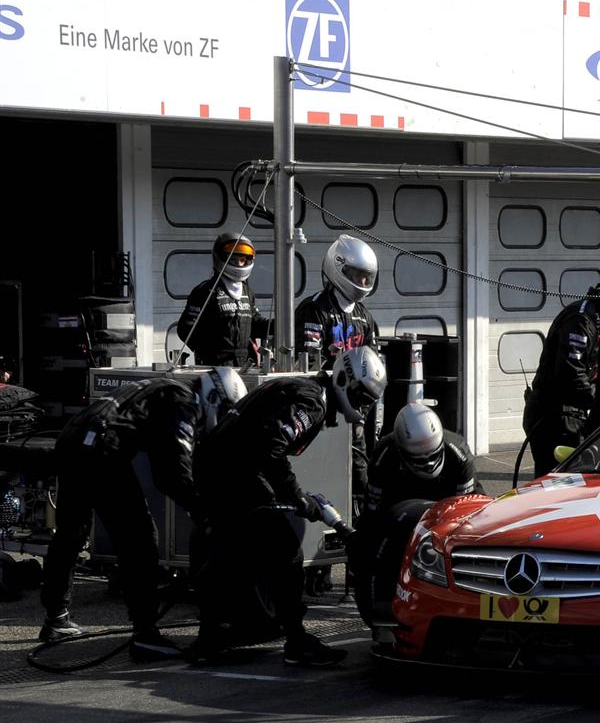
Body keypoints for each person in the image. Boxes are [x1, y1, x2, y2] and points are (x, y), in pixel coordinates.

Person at [188, 346, 386, 667]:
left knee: (228, 553)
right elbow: (271, 447)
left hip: (216, 467)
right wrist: (296, 497)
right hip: (234, 472)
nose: (362, 404)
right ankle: (295, 640)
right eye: (361, 396)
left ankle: (215, 636)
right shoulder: (312, 401)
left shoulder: (301, 386)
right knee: (286, 549)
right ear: (343, 379)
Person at [37, 368, 246, 655]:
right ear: (214, 396)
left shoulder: (166, 386)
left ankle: (56, 618)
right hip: (102, 448)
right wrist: (204, 513)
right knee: (140, 540)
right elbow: (172, 473)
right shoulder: (185, 401)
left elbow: (165, 465)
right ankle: (145, 633)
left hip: (73, 438)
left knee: (70, 535)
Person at [350, 401, 482, 624]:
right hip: (399, 504)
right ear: (402, 449)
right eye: (420, 459)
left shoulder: (459, 454)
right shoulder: (384, 455)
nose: (429, 464)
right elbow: (373, 517)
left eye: (432, 455)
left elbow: (468, 512)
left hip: (451, 502)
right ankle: (379, 609)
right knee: (366, 545)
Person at [521, 259, 600, 476]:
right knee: (557, 484)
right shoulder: (582, 318)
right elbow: (570, 372)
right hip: (553, 416)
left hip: (573, 415)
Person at [297, 234, 382, 491]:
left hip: (357, 407)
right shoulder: (314, 309)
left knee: (360, 467)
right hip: (324, 406)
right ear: (339, 267)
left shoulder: (364, 315)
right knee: (322, 467)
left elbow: (374, 362)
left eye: (367, 277)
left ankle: (359, 518)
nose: (363, 283)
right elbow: (310, 362)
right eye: (357, 276)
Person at [176, 232, 269, 368]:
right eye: (233, 259)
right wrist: (210, 349)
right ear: (221, 258)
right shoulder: (205, 291)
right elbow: (185, 329)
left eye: (242, 260)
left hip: (244, 366)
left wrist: (280, 324)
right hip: (213, 366)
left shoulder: (247, 292)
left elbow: (255, 325)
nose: (238, 263)